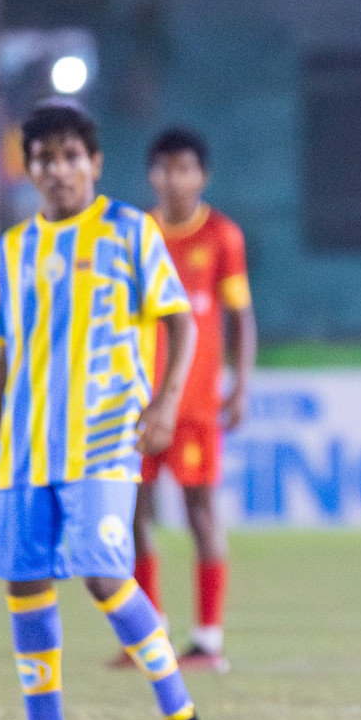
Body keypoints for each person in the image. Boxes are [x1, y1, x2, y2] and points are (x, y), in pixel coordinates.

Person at [0, 102, 218, 720]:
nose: (58, 170)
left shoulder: (129, 231)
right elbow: (4, 358)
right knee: (25, 580)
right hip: (23, 446)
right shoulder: (13, 250)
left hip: (102, 437)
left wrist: (163, 403)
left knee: (104, 573)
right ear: (30, 169)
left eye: (71, 156)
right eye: (44, 158)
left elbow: (181, 325)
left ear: (94, 164)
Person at [114, 127, 256, 673]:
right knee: (134, 513)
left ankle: (208, 640)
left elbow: (241, 317)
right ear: (152, 175)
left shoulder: (222, 236)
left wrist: (239, 385)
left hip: (195, 406)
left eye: (186, 169)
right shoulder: (137, 235)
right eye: (166, 168)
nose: (175, 179)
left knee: (200, 513)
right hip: (139, 404)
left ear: (203, 176)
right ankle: (149, 636)